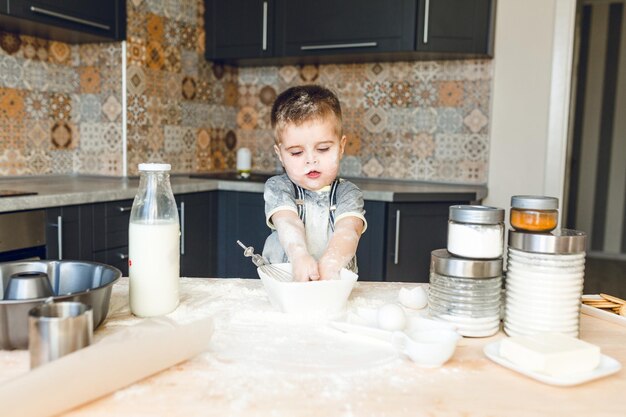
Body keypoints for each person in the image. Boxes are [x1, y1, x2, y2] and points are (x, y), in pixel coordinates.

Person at [262, 85, 367, 282]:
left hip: (333, 284)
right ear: (280, 155)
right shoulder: (278, 188)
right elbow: (288, 222)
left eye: (323, 148)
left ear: (341, 147)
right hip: (285, 281)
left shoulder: (348, 193)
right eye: (296, 152)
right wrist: (299, 255)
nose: (311, 160)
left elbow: (348, 230)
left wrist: (330, 264)